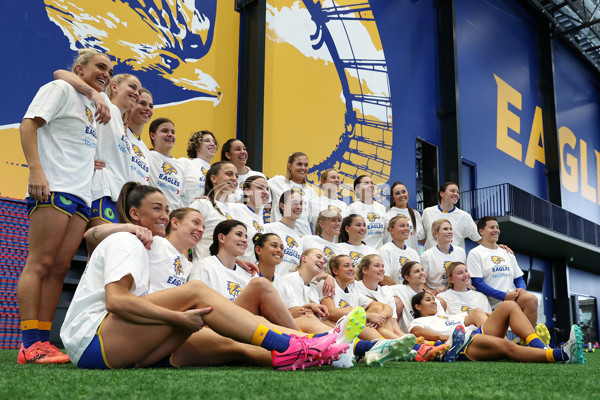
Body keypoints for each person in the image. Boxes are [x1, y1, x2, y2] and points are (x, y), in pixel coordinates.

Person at [60, 182, 348, 370]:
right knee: (205, 303)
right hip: (94, 342)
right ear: (135, 214)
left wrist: (239, 262)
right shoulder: (128, 241)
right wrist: (125, 228)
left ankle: (320, 351)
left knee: (240, 343)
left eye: (166, 208)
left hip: (131, 343)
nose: (163, 215)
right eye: (157, 209)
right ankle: (296, 342)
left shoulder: (172, 255)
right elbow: (115, 299)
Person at [17, 49, 113, 364]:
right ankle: (29, 344)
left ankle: (43, 342)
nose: (106, 74)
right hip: (54, 186)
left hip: (81, 195)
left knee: (59, 268)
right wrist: (36, 171)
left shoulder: (93, 105)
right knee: (40, 264)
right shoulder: (60, 89)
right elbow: (28, 125)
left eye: (110, 71)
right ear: (80, 68)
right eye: (101, 67)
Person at [408, 292, 585, 364]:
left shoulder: (446, 316)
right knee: (507, 347)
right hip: (459, 346)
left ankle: (540, 346)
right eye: (428, 299)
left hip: (473, 334)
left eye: (434, 298)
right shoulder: (417, 323)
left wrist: (489, 320)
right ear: (417, 307)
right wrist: (449, 336)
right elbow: (421, 335)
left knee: (508, 306)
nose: (434, 301)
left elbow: (476, 317)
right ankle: (562, 354)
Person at [319, 255, 419, 366]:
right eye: (346, 266)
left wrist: (378, 316)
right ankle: (389, 346)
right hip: (332, 328)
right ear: (335, 270)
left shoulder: (352, 291)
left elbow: (386, 308)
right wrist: (368, 316)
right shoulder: (329, 285)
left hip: (350, 330)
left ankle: (384, 346)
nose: (352, 268)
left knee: (376, 309)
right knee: (356, 315)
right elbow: (331, 313)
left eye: (352, 265)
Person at [468, 216, 539, 327]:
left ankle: (527, 340)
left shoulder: (507, 253)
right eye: (492, 227)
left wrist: (521, 289)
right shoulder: (475, 253)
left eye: (497, 227)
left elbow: (519, 278)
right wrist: (504, 296)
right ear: (481, 231)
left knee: (531, 299)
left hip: (513, 299)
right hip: (494, 304)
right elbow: (478, 283)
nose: (496, 230)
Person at [189, 161, 237, 261]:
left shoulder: (231, 211)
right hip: (204, 269)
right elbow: (181, 234)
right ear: (213, 178)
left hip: (225, 271)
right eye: (229, 174)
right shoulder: (202, 203)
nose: (234, 178)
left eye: (236, 176)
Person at [386, 261, 447, 333]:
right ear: (407, 277)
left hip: (431, 334)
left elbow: (442, 320)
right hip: (408, 334)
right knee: (396, 302)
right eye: (417, 271)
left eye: (422, 270)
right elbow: (375, 291)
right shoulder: (399, 289)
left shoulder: (431, 298)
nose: (422, 273)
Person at [268, 152, 317, 236]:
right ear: (290, 166)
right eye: (299, 164)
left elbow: (317, 220)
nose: (303, 168)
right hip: (279, 235)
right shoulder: (277, 181)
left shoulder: (311, 191)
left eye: (306, 165)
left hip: (302, 238)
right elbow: (256, 185)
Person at [421, 182, 481, 251]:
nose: (456, 194)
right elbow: (420, 236)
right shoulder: (428, 212)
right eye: (452, 191)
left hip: (455, 259)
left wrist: (495, 248)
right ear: (442, 194)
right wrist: (432, 248)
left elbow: (478, 239)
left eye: (457, 192)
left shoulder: (465, 216)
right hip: (432, 259)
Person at [354, 255, 404, 337]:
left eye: (383, 266)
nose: (382, 269)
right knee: (377, 308)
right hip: (360, 331)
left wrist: (380, 317)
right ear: (365, 270)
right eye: (377, 266)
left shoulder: (386, 293)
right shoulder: (353, 287)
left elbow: (395, 328)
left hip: (384, 332)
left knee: (383, 312)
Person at [147, 118, 186, 211]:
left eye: (173, 132)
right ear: (153, 135)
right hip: (152, 213)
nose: (170, 134)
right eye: (165, 131)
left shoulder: (180, 166)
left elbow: (181, 198)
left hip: (172, 219)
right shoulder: (147, 156)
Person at [229, 175, 271, 261]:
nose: (265, 192)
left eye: (267, 189)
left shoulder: (261, 221)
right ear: (247, 192)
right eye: (260, 188)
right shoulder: (234, 209)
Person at [263, 189, 304, 275]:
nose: (299, 207)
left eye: (301, 203)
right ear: (282, 206)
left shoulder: (299, 240)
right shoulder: (269, 229)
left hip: (289, 287)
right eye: (294, 203)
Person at [420, 219, 467, 293]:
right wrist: (434, 293)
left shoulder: (460, 252)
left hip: (458, 294)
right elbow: (420, 283)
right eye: (445, 229)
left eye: (450, 229)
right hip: (437, 297)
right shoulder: (427, 256)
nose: (449, 232)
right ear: (436, 233)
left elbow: (465, 276)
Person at [347, 175, 387, 249]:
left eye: (372, 183)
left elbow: (386, 235)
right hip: (361, 253)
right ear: (358, 189)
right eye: (366, 183)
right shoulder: (352, 208)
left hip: (378, 255)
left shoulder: (381, 208)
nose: (371, 185)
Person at [379, 215, 421, 285]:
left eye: (407, 226)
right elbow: (384, 279)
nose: (406, 228)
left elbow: (419, 279)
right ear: (391, 230)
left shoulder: (413, 252)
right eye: (402, 226)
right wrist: (402, 292)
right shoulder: (384, 251)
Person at [180, 130, 218, 205]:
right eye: (207, 141)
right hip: (186, 211)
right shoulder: (186, 162)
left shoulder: (216, 171)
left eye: (214, 142)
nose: (212, 144)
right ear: (197, 146)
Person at [385, 182, 424, 253]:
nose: (401, 195)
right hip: (393, 256)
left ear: (408, 193)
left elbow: (421, 237)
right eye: (397, 193)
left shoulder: (415, 214)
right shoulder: (387, 215)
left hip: (412, 259)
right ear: (392, 198)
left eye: (403, 192)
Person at [125, 88, 153, 185]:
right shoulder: (119, 131)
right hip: (114, 197)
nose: (147, 108)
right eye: (142, 103)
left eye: (151, 106)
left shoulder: (146, 151)